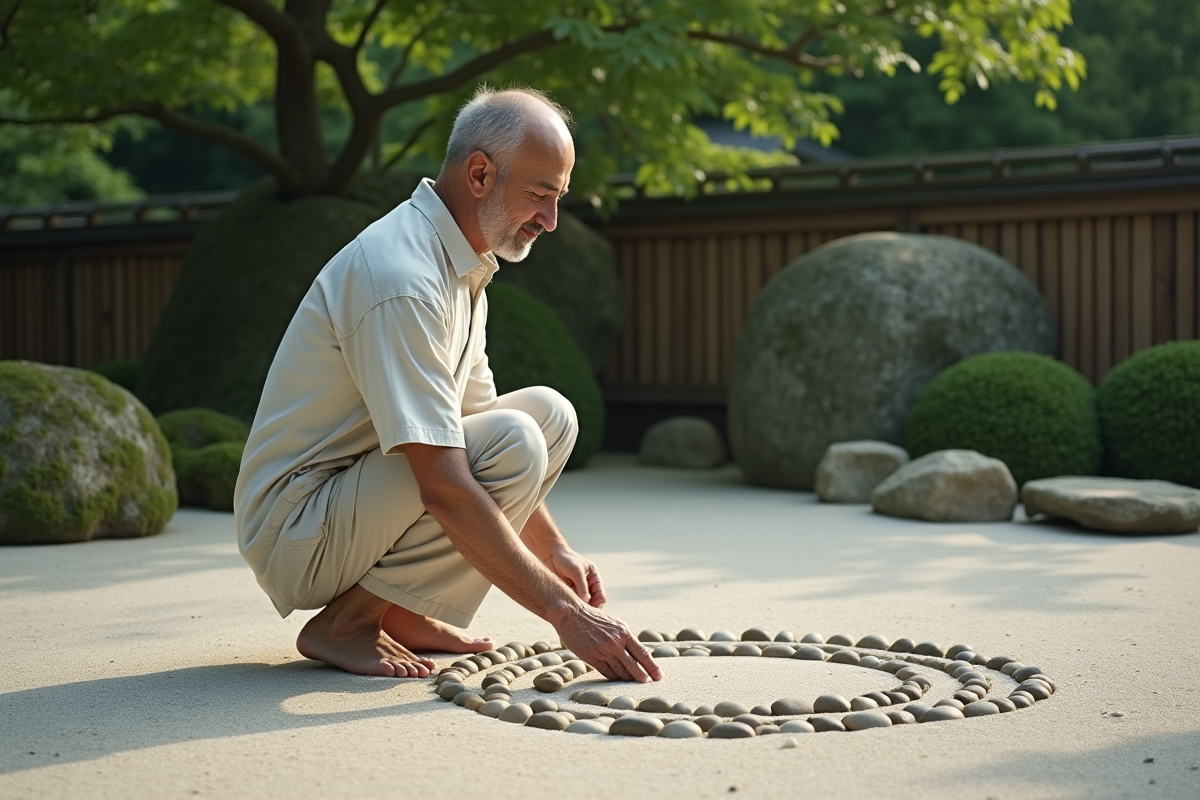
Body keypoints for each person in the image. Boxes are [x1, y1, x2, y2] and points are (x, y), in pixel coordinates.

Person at [233, 86, 662, 685]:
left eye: (557, 198)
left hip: (350, 499)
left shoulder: (460, 261)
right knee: (513, 440)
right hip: (297, 525)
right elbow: (446, 482)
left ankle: (402, 609)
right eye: (540, 195)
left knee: (548, 417)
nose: (551, 220)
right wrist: (567, 616)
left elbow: (476, 420)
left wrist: (555, 550)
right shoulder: (403, 277)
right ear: (480, 174)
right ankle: (347, 623)